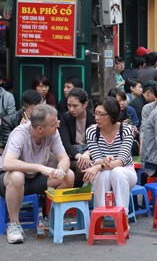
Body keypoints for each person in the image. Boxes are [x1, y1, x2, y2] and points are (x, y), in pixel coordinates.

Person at [0, 105, 75, 244]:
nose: (57, 126)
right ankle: (14, 224)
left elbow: (64, 158)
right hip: (8, 180)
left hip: (34, 179)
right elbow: (7, 163)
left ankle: (51, 218)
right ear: (40, 128)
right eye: (53, 124)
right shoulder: (20, 134)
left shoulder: (53, 133)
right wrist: (40, 168)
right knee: (17, 176)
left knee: (68, 175)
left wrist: (60, 170)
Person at [83, 97, 137, 216]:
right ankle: (100, 216)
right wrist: (101, 163)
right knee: (104, 175)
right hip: (103, 172)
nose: (97, 117)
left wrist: (98, 167)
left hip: (126, 172)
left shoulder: (126, 130)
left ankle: (123, 216)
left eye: (101, 114)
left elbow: (121, 161)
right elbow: (97, 160)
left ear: (112, 116)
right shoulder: (92, 131)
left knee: (117, 172)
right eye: (95, 113)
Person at [59, 88, 95, 187]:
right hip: (72, 156)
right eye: (69, 105)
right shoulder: (65, 118)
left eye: (75, 106)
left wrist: (87, 154)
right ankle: (76, 191)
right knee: (81, 164)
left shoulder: (93, 119)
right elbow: (65, 143)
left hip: (90, 153)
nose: (71, 109)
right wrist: (79, 156)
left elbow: (98, 141)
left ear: (85, 104)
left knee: (88, 165)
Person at [0, 90, 41, 155]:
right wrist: (24, 130)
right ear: (24, 108)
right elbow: (9, 146)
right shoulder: (8, 121)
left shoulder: (43, 119)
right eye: (35, 109)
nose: (39, 112)